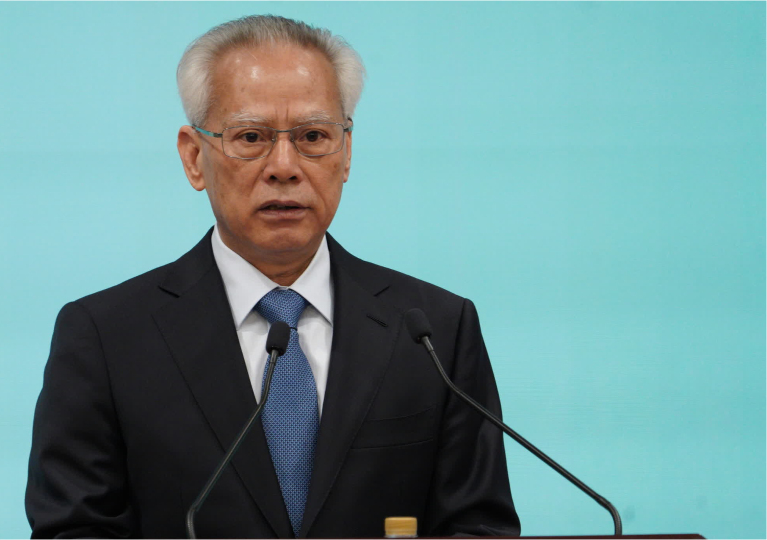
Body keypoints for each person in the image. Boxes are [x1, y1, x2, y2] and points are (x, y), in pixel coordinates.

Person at [26, 15, 520, 539]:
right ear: (194, 158)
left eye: (313, 136)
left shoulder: (434, 332)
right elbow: (74, 530)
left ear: (346, 152)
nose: (284, 166)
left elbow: (478, 527)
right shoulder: (107, 337)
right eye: (251, 137)